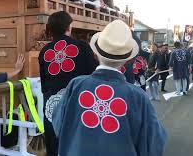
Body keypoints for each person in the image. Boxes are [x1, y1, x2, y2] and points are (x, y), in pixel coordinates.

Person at [52, 20, 167, 156]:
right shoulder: (138, 96)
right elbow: (153, 144)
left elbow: (58, 125)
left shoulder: (76, 85)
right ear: (128, 60)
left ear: (95, 54)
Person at [39, 11, 98, 156]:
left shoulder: (44, 51)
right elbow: (94, 75)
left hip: (52, 104)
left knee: (54, 145)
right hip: (76, 103)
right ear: (68, 27)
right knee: (76, 145)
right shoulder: (82, 46)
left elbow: (44, 84)